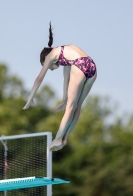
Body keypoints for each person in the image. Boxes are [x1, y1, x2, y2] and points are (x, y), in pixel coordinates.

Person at [23, 22, 97, 151]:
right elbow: (66, 79)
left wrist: (30, 97)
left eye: (47, 65)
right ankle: (64, 138)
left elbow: (39, 78)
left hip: (80, 66)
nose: (51, 69)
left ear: (46, 58)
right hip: (92, 67)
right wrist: (64, 99)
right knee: (76, 106)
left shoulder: (51, 55)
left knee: (71, 107)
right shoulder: (66, 55)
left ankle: (57, 138)